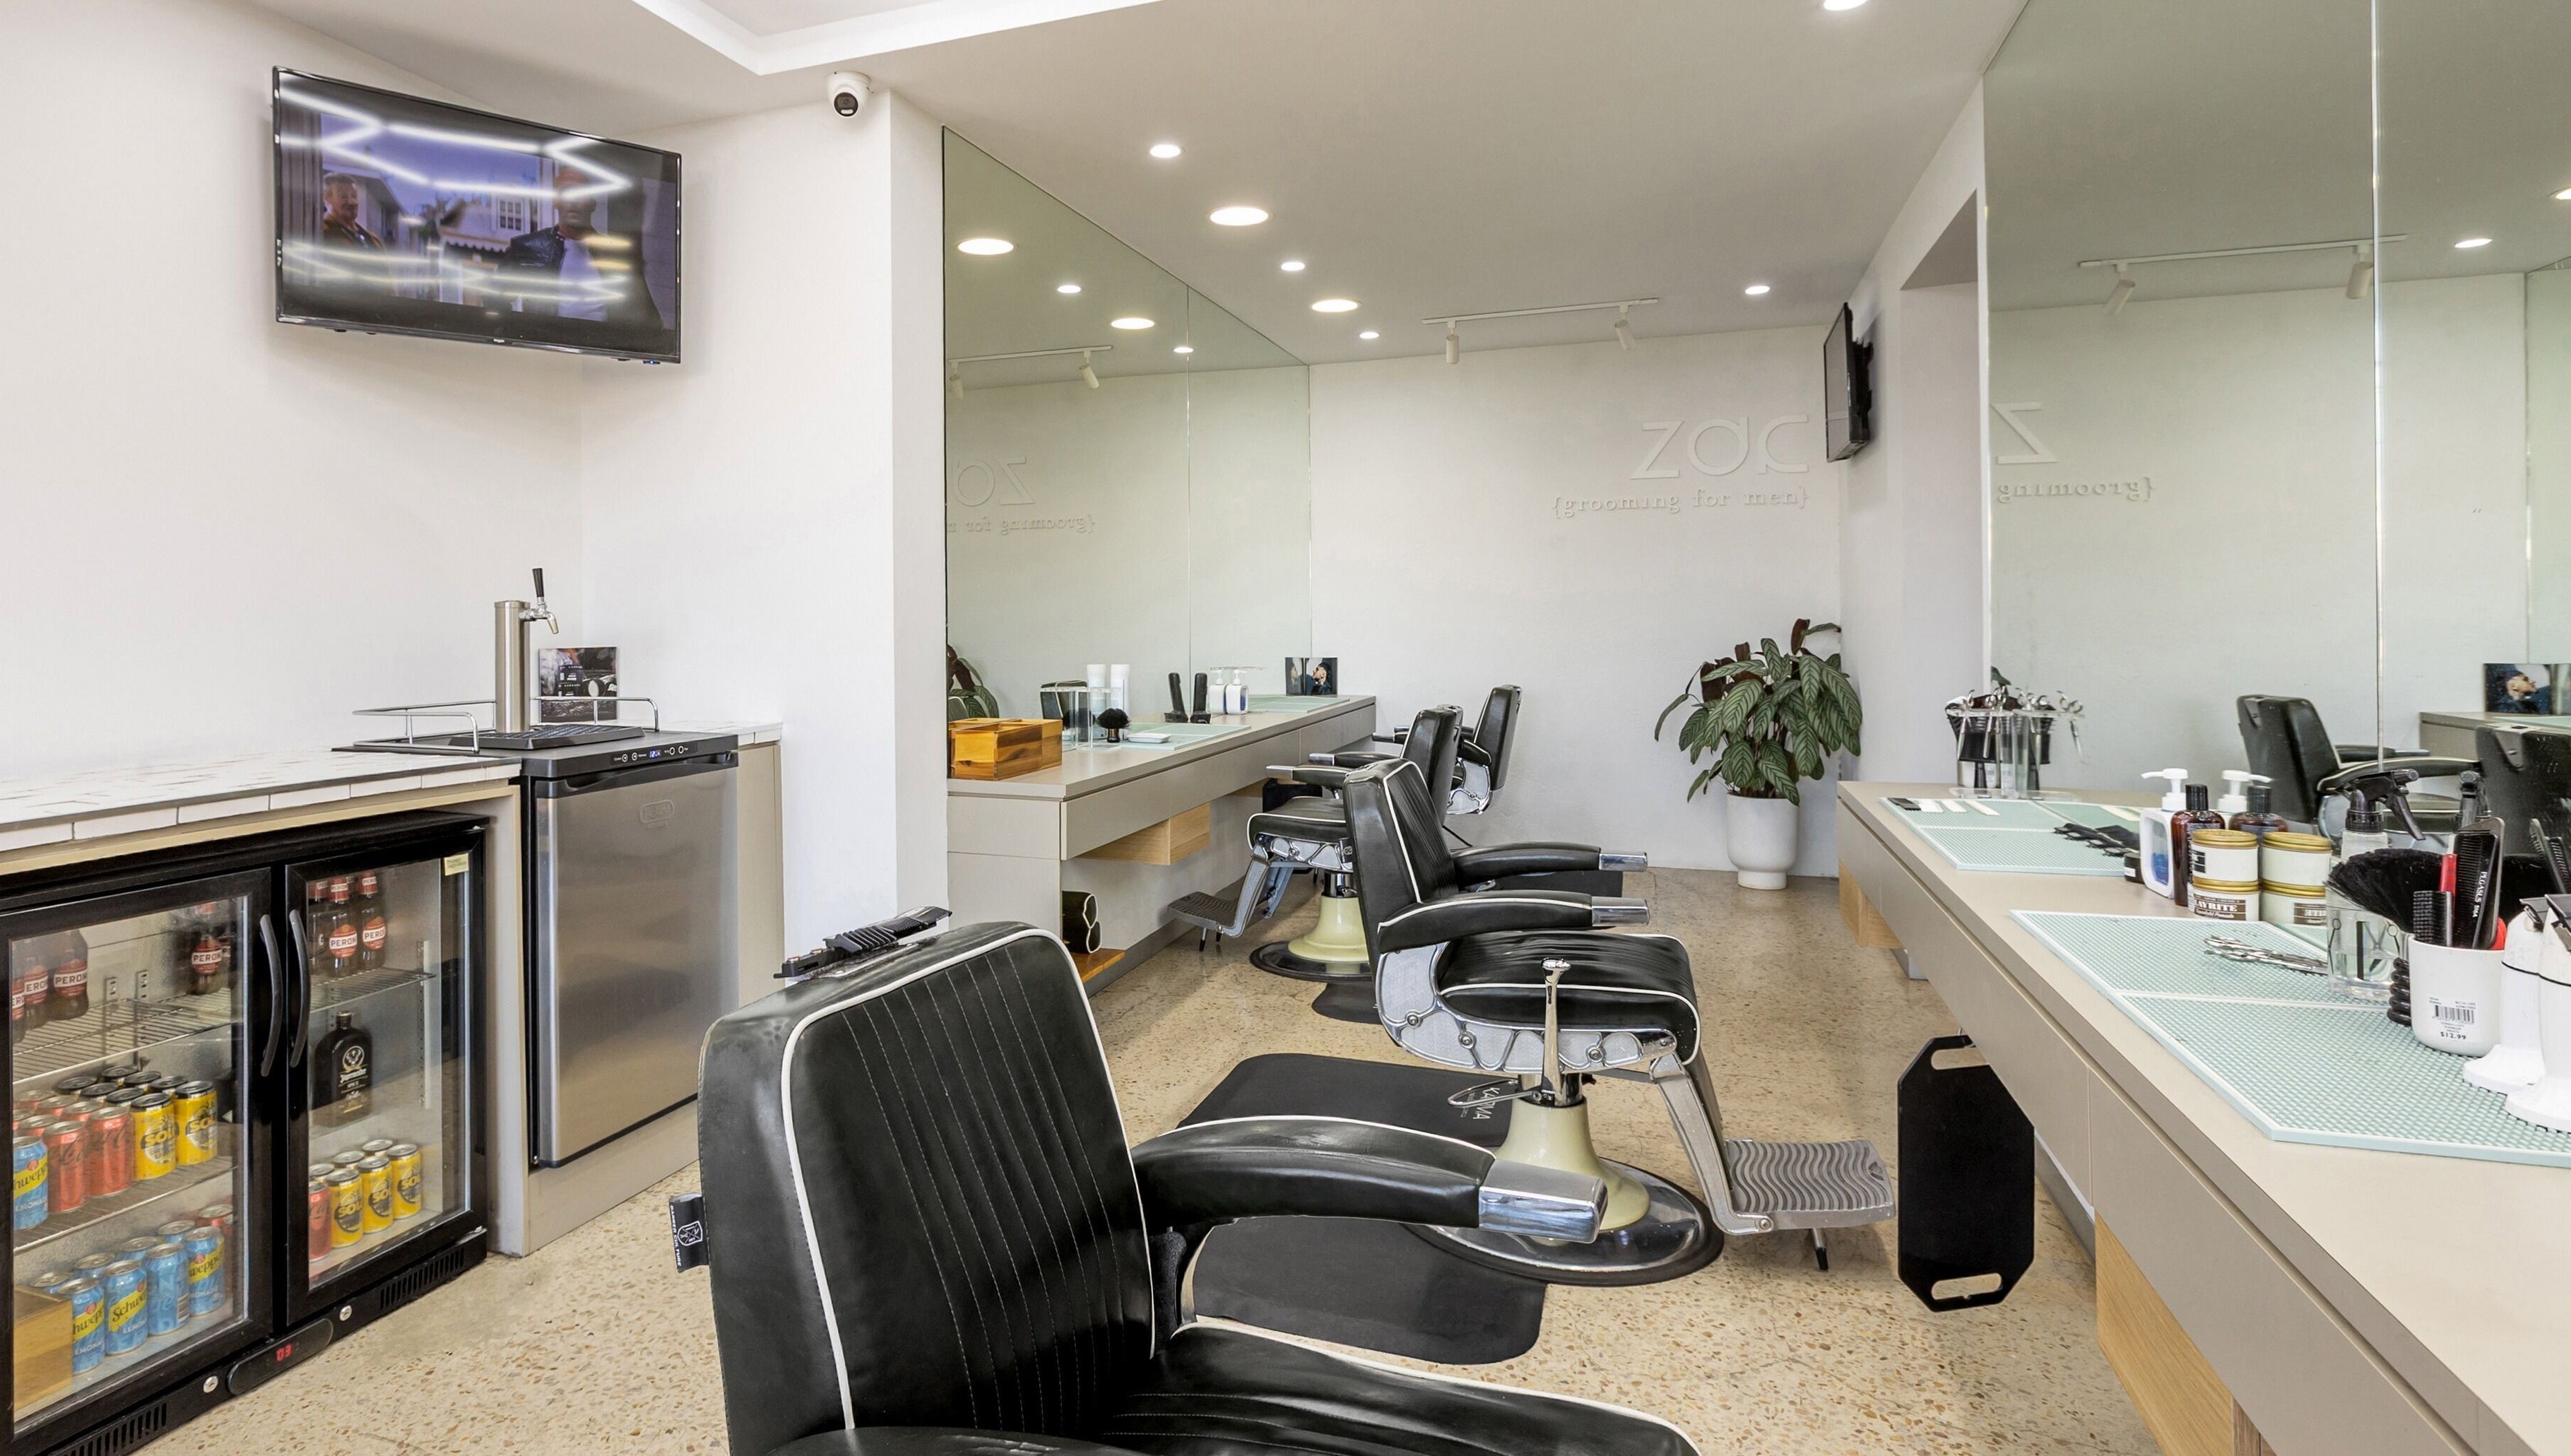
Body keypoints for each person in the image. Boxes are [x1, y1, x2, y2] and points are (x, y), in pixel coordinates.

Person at [500, 165, 662, 331]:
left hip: (602, 350)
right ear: (556, 201)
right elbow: (494, 301)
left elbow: (650, 321)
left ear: (593, 203)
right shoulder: (527, 248)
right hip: (545, 350)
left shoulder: (618, 255)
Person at [319, 173, 384, 250]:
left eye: (354, 196)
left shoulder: (374, 240)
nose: (351, 202)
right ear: (326, 198)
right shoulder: (323, 235)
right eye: (344, 197)